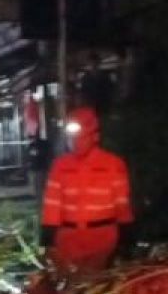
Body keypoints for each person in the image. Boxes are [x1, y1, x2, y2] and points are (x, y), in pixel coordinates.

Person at [40, 106, 134, 273]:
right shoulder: (60, 166)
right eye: (71, 139)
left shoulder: (113, 164)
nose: (75, 143)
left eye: (80, 138)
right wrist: (47, 241)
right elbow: (51, 207)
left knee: (97, 286)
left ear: (94, 136)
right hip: (69, 240)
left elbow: (122, 206)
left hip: (103, 239)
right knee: (70, 291)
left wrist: (126, 240)